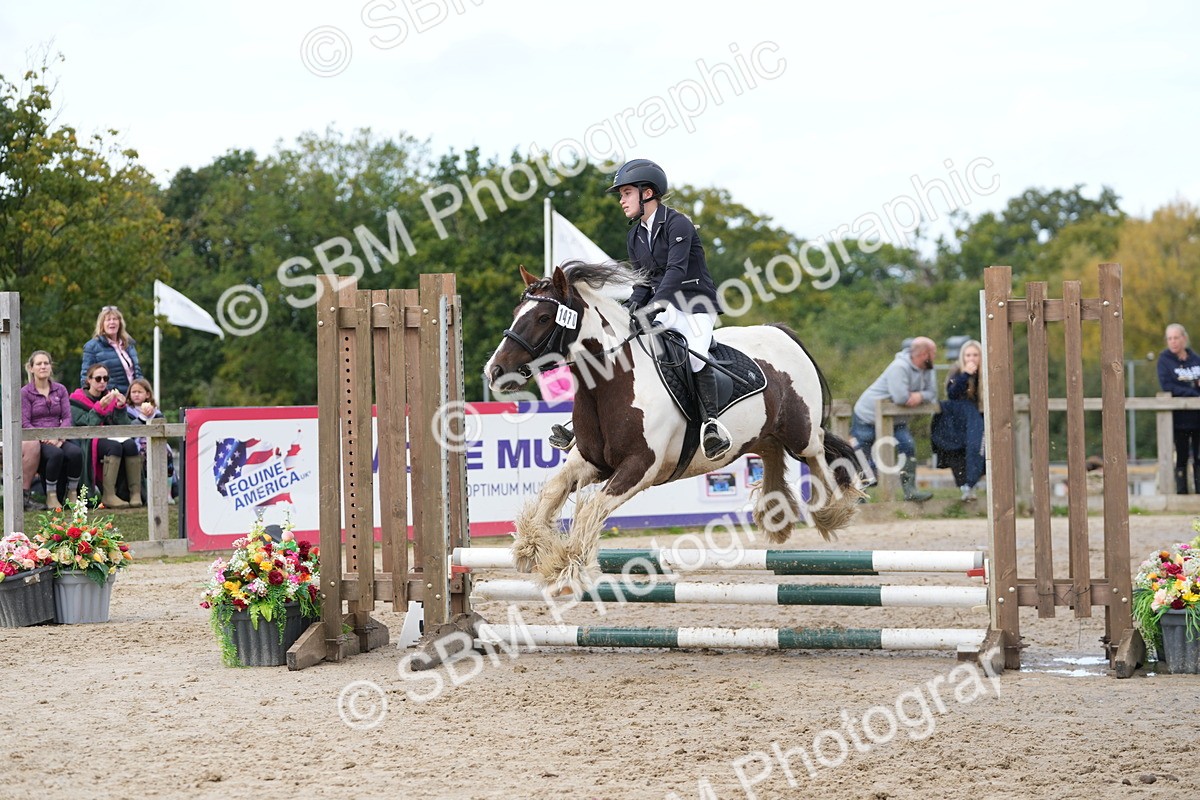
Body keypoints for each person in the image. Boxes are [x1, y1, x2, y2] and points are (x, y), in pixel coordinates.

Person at [549, 158, 730, 459]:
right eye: (621, 195)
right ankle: (578, 423)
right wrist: (633, 305)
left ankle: (711, 424)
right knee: (618, 347)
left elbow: (675, 270)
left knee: (695, 355)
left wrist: (656, 304)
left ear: (647, 193)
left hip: (694, 305)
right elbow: (643, 281)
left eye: (627, 193)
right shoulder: (634, 236)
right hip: (663, 307)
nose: (621, 200)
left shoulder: (678, 224)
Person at [851, 337, 938, 502]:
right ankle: (858, 495)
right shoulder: (899, 367)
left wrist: (919, 396)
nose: (935, 356)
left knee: (908, 446)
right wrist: (917, 396)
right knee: (863, 452)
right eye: (934, 353)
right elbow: (900, 398)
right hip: (867, 416)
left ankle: (910, 490)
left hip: (896, 420)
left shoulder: (928, 369)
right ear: (925, 353)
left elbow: (932, 394)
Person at [71, 364, 141, 508]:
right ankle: (108, 494)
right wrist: (99, 408)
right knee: (114, 447)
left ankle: (135, 493)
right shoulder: (76, 399)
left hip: (111, 436)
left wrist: (120, 408)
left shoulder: (111, 397)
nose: (102, 382)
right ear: (88, 380)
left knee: (130, 444)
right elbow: (85, 423)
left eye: (105, 378)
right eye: (98, 378)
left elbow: (124, 426)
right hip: (89, 441)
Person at [20, 350, 83, 510]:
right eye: (39, 364)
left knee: (75, 453)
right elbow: (25, 422)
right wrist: (43, 438)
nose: (43, 367)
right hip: (37, 440)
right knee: (56, 454)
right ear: (31, 368)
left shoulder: (60, 389)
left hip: (58, 437)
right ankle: (51, 496)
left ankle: (72, 493)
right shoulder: (26, 392)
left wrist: (58, 437)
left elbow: (67, 417)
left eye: (46, 363)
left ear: (50, 367)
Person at [931, 339, 986, 501]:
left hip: (977, 417)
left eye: (975, 355)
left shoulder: (987, 372)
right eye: (968, 355)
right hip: (959, 419)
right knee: (960, 451)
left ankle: (972, 484)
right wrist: (966, 375)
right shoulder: (958, 372)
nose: (972, 359)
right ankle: (967, 486)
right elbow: (952, 393)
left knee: (977, 448)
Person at [1156, 323, 1200, 494]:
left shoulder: (1195, 359)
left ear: (1184, 338)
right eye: (1170, 338)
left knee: (1199, 458)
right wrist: (1193, 391)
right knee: (1181, 457)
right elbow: (1168, 386)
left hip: (1197, 418)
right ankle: (1181, 495)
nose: (1173, 342)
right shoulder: (1164, 360)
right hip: (1178, 420)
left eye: (1176, 338)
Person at [126, 378, 178, 500]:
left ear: (147, 394)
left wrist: (152, 415)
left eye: (140, 392)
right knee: (145, 458)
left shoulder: (156, 411)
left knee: (167, 455)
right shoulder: (127, 411)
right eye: (133, 392)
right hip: (138, 443)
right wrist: (143, 417)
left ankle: (167, 492)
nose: (136, 394)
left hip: (157, 441)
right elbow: (131, 429)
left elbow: (162, 426)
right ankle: (149, 493)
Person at [80, 305, 142, 395]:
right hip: (110, 398)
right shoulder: (92, 346)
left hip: (132, 398)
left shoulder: (128, 344)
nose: (112, 322)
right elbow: (85, 377)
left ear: (120, 323)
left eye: (115, 319)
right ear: (102, 324)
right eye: (108, 320)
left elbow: (137, 372)